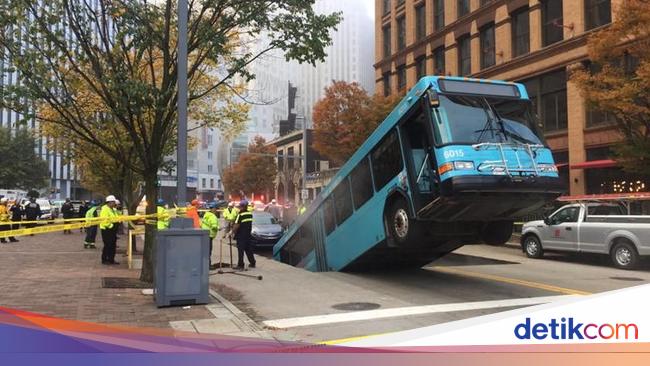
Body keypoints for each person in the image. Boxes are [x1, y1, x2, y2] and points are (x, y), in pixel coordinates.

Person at [231, 200, 255, 269]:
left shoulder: (240, 214)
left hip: (241, 235)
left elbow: (236, 225)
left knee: (241, 250)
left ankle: (240, 265)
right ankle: (252, 262)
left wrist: (231, 232)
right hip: (248, 234)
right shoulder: (249, 214)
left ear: (243, 207)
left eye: (240, 206)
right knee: (248, 249)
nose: (239, 208)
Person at [100, 195, 119, 265]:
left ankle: (111, 259)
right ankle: (105, 259)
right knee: (108, 245)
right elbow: (104, 221)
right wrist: (111, 226)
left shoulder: (113, 209)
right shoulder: (105, 209)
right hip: (107, 230)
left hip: (112, 230)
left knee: (113, 245)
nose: (115, 203)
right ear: (109, 202)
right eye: (113, 202)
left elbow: (116, 217)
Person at [201, 202, 220, 268]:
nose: (216, 210)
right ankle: (208, 265)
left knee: (205, 250)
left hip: (204, 234)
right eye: (216, 209)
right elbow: (214, 226)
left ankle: (204, 264)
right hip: (209, 235)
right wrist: (218, 228)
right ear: (213, 208)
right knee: (208, 251)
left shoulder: (206, 214)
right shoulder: (213, 216)